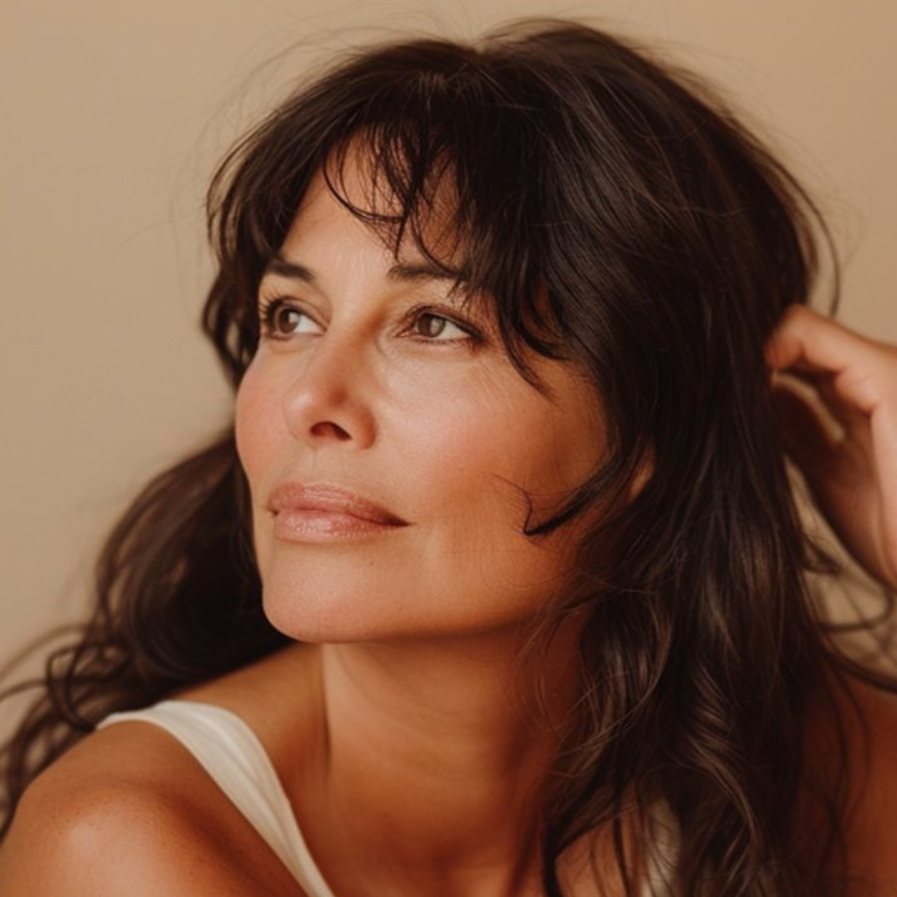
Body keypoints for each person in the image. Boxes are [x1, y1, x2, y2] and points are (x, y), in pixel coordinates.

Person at [1, 18, 896, 897]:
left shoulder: (783, 760)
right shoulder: (126, 849)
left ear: (648, 425)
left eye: (434, 323)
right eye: (291, 317)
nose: (310, 401)